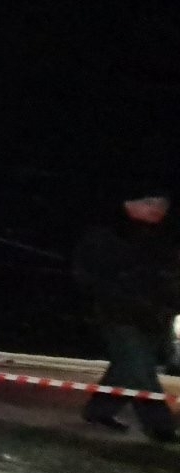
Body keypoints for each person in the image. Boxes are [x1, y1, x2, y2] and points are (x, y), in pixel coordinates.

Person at [71, 185, 180, 443]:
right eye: (150, 202)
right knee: (141, 371)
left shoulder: (165, 238)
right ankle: (159, 426)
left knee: (126, 368)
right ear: (129, 203)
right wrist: (119, 292)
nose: (158, 209)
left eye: (163, 204)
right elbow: (86, 274)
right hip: (118, 315)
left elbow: (171, 277)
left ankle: (98, 411)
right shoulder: (106, 234)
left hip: (155, 316)